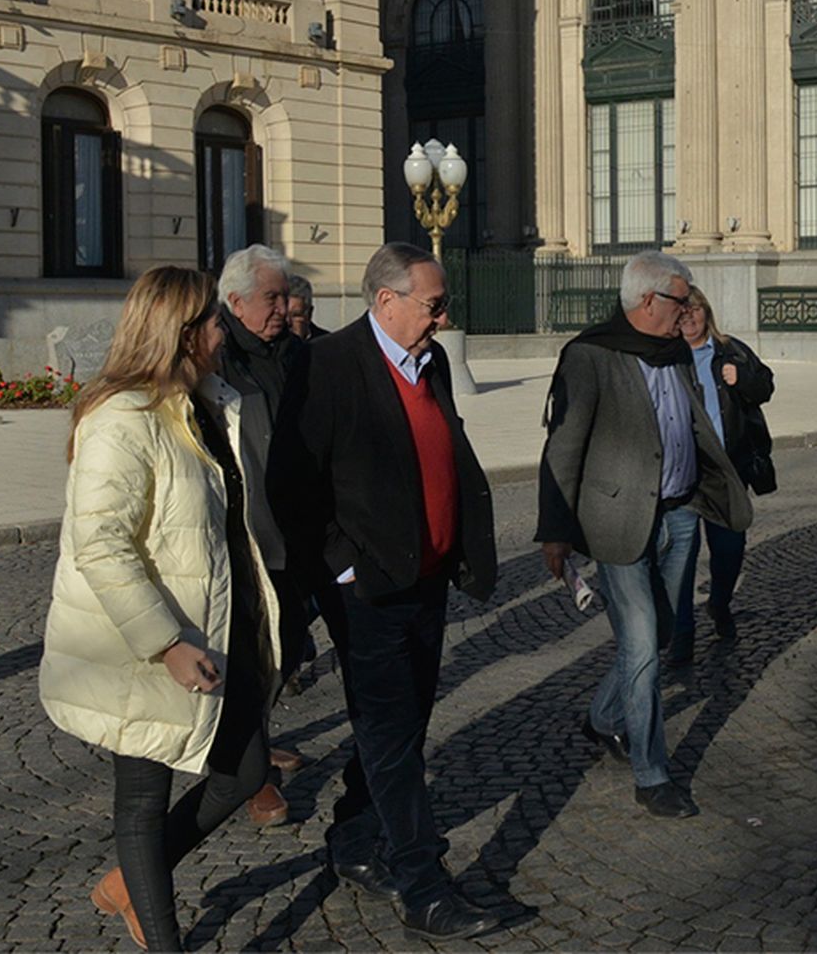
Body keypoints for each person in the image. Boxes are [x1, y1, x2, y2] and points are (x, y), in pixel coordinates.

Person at [39, 266, 281, 951]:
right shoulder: (121, 417)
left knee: (246, 771)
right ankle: (163, 934)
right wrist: (165, 640)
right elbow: (100, 544)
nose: (221, 331)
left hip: (215, 627)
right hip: (139, 642)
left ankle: (127, 884)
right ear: (177, 334)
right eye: (210, 320)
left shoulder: (207, 400)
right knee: (142, 800)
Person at [276, 241, 500, 941]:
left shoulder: (428, 361)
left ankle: (350, 835)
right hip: (366, 590)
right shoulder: (325, 365)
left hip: (427, 578)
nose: (443, 317)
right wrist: (343, 568)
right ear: (386, 301)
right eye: (434, 305)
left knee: (404, 726)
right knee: (391, 734)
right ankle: (422, 883)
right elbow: (293, 485)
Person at [536, 251, 752, 819]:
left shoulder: (675, 351)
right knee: (642, 642)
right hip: (618, 523)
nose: (689, 311)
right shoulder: (591, 355)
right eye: (681, 300)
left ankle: (604, 717)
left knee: (656, 637)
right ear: (649, 301)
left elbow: (692, 421)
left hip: (680, 515)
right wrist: (555, 531)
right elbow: (564, 445)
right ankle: (652, 774)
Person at [217, 244, 309, 827]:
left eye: (285, 296)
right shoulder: (216, 358)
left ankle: (256, 736)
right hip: (243, 531)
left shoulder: (297, 353)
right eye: (271, 298)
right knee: (250, 653)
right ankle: (252, 775)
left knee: (291, 643)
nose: (284, 306)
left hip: (298, 525)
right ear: (236, 301)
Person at [668, 286, 776, 666]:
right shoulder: (666, 359)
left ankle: (719, 602)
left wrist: (741, 378)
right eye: (682, 313)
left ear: (706, 312)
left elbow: (765, 387)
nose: (690, 318)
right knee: (680, 558)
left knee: (729, 551)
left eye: (695, 310)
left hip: (727, 471)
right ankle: (682, 637)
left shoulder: (731, 349)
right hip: (682, 476)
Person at [286, 273, 330, 340]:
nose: (288, 322)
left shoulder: (327, 343)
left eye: (296, 315)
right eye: (283, 315)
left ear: (309, 314)